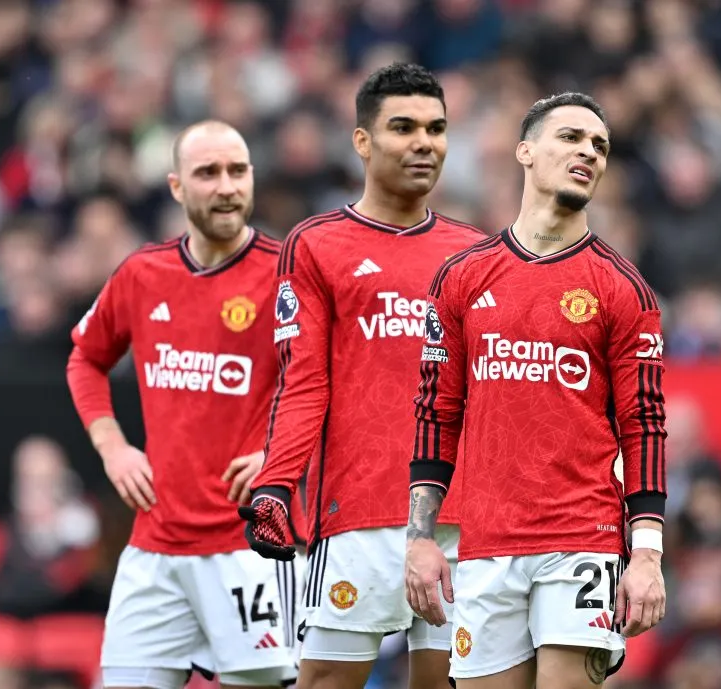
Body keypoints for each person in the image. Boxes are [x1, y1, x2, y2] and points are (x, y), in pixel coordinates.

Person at [403, 92, 668, 689]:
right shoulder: (463, 278)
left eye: (599, 145)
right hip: (487, 540)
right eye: (571, 137)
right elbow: (436, 411)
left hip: (582, 536)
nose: (588, 152)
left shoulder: (622, 289)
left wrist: (646, 553)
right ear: (526, 151)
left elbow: (644, 426)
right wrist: (420, 538)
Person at [239, 63, 486, 689]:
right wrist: (276, 485)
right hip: (359, 511)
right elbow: (303, 383)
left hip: (461, 516)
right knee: (323, 679)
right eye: (402, 127)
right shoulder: (318, 244)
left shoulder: (476, 253)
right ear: (362, 141)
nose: (423, 143)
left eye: (436, 128)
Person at [66, 120, 305, 689]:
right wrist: (113, 447)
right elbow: (85, 359)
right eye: (208, 173)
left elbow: (335, 386)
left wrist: (281, 452)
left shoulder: (287, 276)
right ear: (176, 187)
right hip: (154, 548)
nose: (226, 186)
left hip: (250, 544)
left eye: (237, 171)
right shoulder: (143, 274)